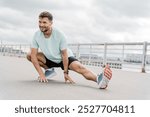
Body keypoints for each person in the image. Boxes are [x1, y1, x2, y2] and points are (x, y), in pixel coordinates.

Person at [27, 11, 112, 89]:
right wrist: (41, 74)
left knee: (79, 67)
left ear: (51, 23)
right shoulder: (36, 35)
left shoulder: (60, 35)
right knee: (29, 55)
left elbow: (64, 55)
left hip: (63, 58)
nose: (41, 25)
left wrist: (65, 73)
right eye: (40, 22)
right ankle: (49, 70)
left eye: (44, 22)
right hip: (49, 58)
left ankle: (100, 79)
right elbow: (34, 55)